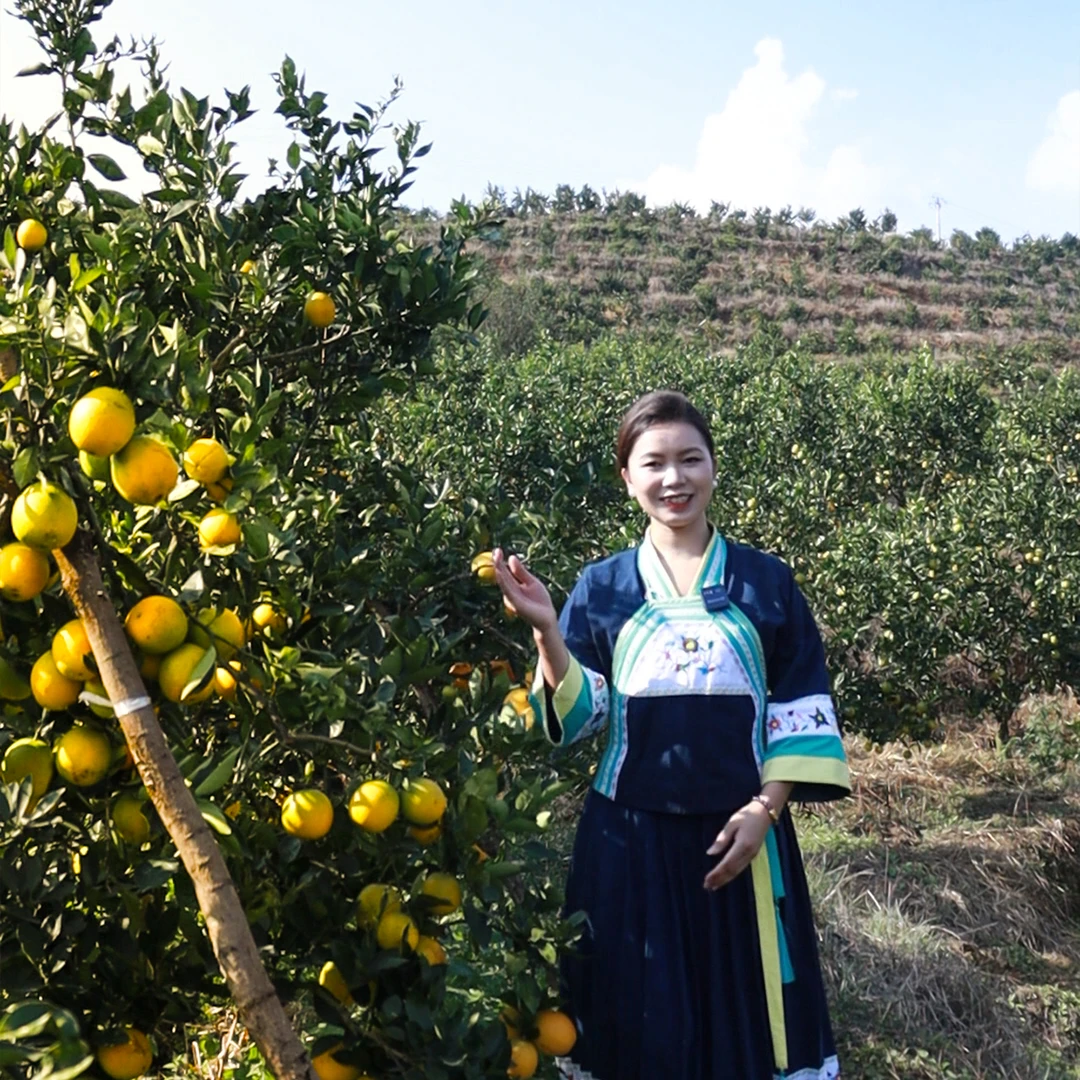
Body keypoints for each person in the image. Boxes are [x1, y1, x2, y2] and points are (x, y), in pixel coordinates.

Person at [492, 390, 850, 1080]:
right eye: (653, 463)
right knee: (638, 1021)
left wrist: (763, 811)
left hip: (741, 839)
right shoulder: (603, 587)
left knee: (741, 1019)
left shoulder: (766, 583)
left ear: (714, 466)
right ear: (627, 477)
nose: (674, 479)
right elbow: (581, 717)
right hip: (627, 844)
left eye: (690, 459)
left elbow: (800, 709)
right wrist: (546, 630)